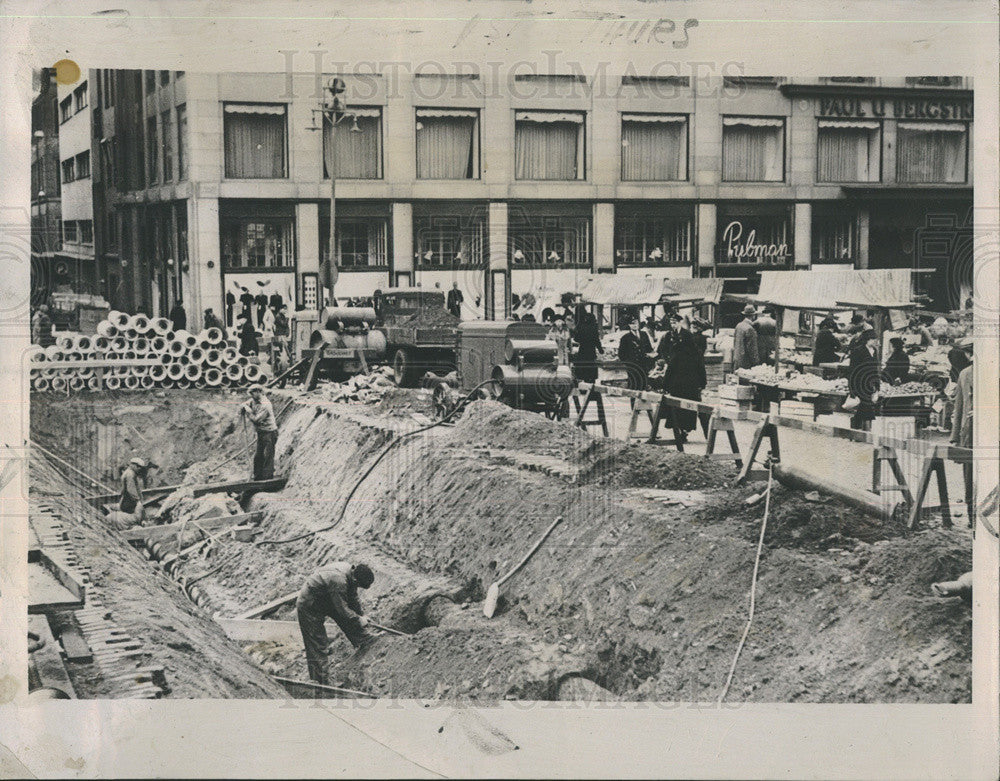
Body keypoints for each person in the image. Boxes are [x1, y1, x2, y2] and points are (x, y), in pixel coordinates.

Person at [296, 562, 375, 686]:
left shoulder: (351, 573)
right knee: (317, 643)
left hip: (325, 597)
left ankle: (364, 640)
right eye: (358, 585)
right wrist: (358, 619)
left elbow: (353, 599)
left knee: (350, 617)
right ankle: (320, 682)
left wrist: (361, 615)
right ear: (355, 579)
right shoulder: (338, 580)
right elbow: (342, 609)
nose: (357, 588)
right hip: (309, 604)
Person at [662, 314, 707, 443]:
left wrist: (665, 385)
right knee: (689, 411)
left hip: (678, 386)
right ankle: (685, 431)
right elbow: (701, 369)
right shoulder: (697, 354)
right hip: (692, 387)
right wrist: (702, 384)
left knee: (677, 409)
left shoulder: (677, 354)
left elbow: (670, 370)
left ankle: (680, 431)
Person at [951, 339, 973, 523]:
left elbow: (958, 408)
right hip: (970, 432)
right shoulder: (965, 375)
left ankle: (973, 518)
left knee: (969, 474)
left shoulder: (965, 373)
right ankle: (974, 518)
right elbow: (959, 406)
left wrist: (955, 436)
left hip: (969, 431)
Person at [241, 384, 278, 481]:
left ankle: (267, 480)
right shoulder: (254, 400)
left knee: (268, 457)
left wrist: (248, 411)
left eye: (252, 394)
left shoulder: (265, 404)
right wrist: (244, 405)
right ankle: (257, 479)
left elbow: (257, 420)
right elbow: (246, 403)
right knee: (258, 457)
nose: (251, 396)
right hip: (261, 433)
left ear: (258, 392)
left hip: (270, 433)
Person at [847, 329, 880, 431]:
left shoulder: (874, 352)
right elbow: (852, 369)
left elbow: (875, 369)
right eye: (873, 339)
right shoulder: (858, 351)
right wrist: (851, 387)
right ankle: (865, 430)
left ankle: (857, 426)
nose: (875, 341)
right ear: (867, 339)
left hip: (870, 382)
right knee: (866, 405)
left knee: (864, 405)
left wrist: (877, 384)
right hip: (859, 382)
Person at [571, 307, 603, 384]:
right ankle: (591, 385)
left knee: (583, 369)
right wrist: (600, 350)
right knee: (591, 370)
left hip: (583, 350)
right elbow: (596, 340)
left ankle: (584, 386)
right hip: (591, 351)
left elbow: (576, 339)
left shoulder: (581, 327)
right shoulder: (594, 327)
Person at [618, 318, 652, 391]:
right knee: (633, 386)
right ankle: (633, 402)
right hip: (632, 366)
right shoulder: (625, 338)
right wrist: (628, 363)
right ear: (629, 325)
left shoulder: (644, 334)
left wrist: (650, 356)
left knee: (644, 385)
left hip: (643, 365)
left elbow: (649, 348)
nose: (635, 325)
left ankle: (643, 401)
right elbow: (621, 354)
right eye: (632, 323)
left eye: (636, 323)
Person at [118, 457, 153, 524]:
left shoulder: (129, 473)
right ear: (133, 465)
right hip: (128, 501)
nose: (139, 469)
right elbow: (131, 489)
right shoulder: (130, 474)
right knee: (136, 518)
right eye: (138, 467)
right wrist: (137, 500)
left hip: (127, 500)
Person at [732, 304, 760, 370]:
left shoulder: (738, 325)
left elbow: (735, 342)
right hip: (746, 362)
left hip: (737, 359)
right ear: (753, 315)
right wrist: (756, 363)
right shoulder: (750, 329)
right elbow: (752, 348)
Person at [272, 305, 290, 372]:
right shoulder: (278, 316)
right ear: (280, 309)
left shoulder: (281, 316)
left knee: (284, 349)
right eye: (284, 309)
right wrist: (287, 318)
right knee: (284, 349)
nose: (286, 310)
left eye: (286, 309)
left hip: (282, 334)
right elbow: (284, 324)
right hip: (280, 335)